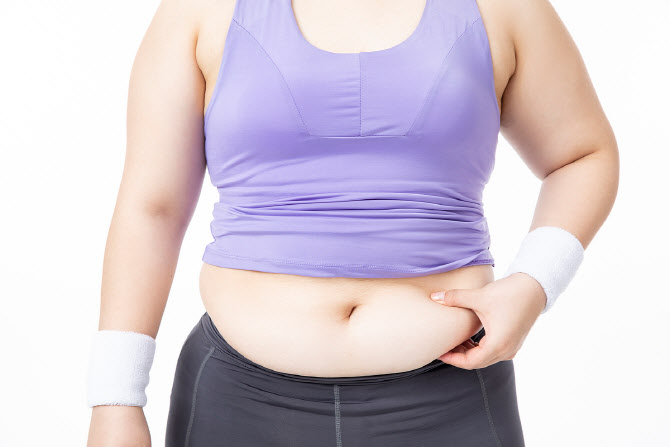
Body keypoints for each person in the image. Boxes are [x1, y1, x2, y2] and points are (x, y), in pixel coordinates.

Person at [85, 0, 619, 446]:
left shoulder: (503, 8)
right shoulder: (201, 10)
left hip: (450, 399)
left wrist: (534, 284)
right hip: (238, 401)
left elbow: (582, 155)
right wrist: (115, 399)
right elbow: (152, 208)